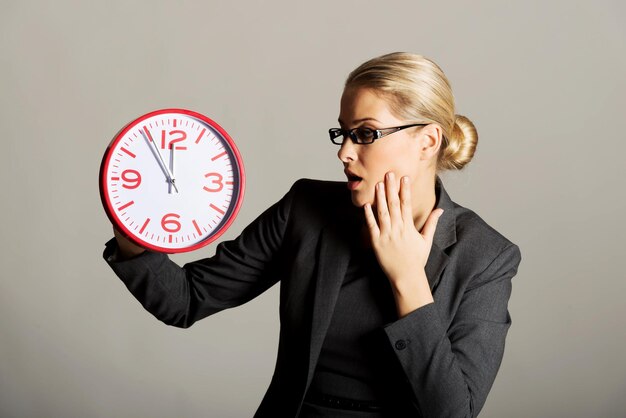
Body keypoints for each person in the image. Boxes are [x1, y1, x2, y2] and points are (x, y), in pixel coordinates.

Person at [104, 52, 521, 418]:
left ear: (427, 141)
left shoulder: (486, 256)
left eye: (365, 133)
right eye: (343, 132)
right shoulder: (306, 210)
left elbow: (451, 412)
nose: (344, 152)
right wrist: (131, 218)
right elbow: (185, 300)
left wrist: (408, 279)